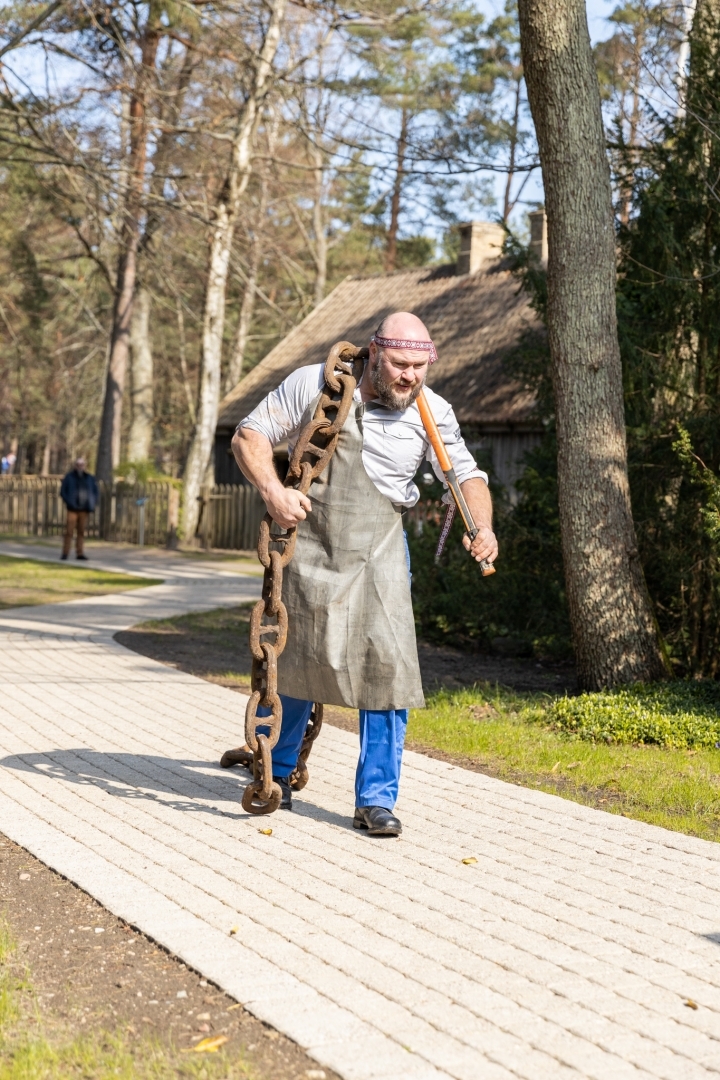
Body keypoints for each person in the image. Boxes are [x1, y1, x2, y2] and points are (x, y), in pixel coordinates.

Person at [232, 312, 498, 836]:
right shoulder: (318, 384)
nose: (409, 377)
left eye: (420, 367)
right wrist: (274, 492)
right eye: (400, 364)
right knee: (300, 656)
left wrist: (481, 525)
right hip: (311, 542)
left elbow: (465, 475)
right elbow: (249, 436)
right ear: (375, 353)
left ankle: (376, 800)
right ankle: (277, 773)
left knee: (389, 671)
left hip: (381, 549)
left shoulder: (432, 411)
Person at [60, 457, 99, 561]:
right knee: (69, 532)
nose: (80, 467)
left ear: (84, 466)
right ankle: (65, 553)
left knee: (81, 532)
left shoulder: (89, 478)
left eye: (82, 465)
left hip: (84, 509)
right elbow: (63, 491)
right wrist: (69, 501)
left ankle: (80, 553)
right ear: (75, 466)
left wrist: (92, 502)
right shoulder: (69, 477)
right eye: (78, 465)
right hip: (72, 508)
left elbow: (95, 492)